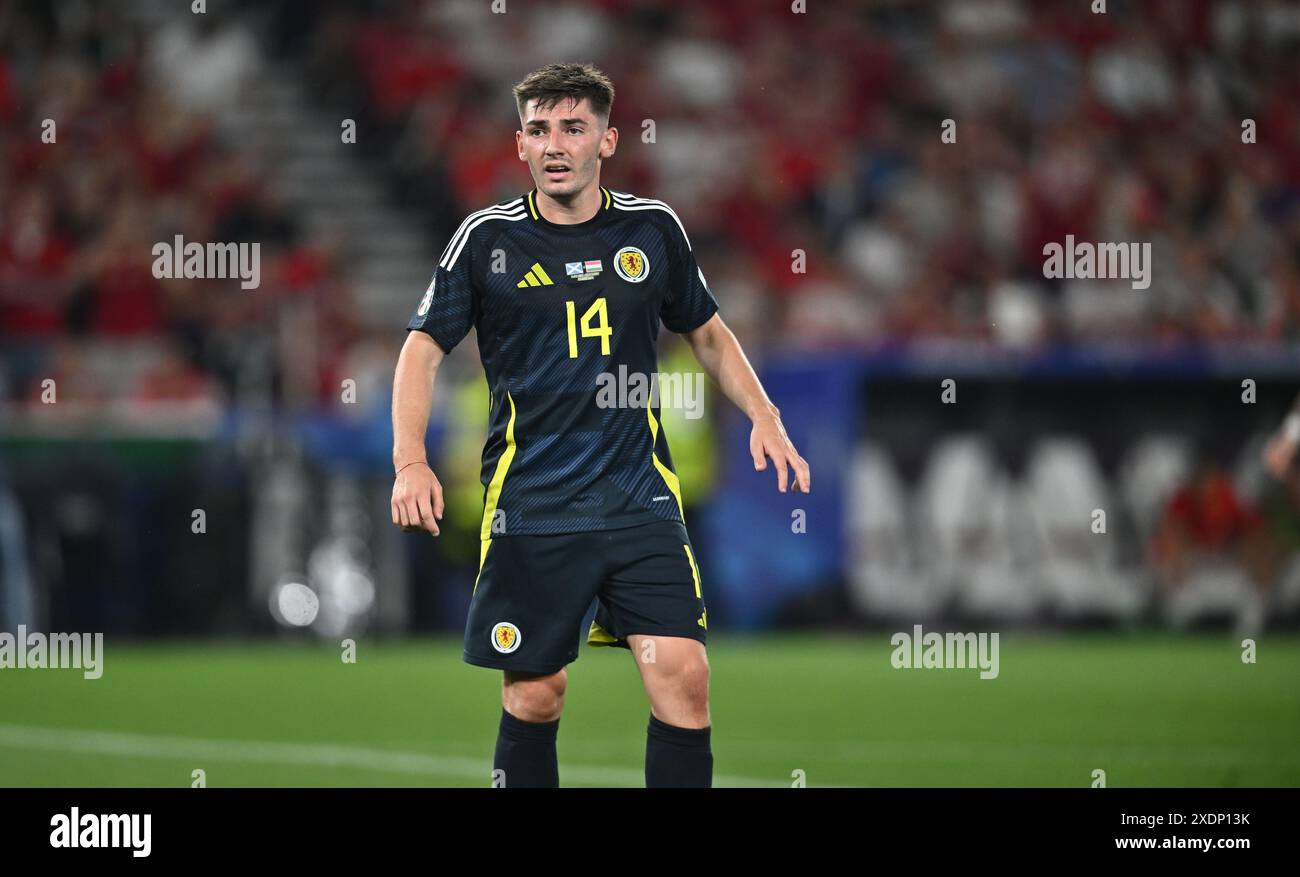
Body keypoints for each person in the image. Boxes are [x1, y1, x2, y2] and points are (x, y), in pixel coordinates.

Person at [389, 63, 810, 787]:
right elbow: (422, 350)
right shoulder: (486, 240)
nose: (555, 144)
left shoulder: (653, 230)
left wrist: (764, 416)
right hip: (533, 500)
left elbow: (707, 331)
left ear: (607, 140)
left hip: (636, 493)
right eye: (539, 130)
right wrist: (409, 460)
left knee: (682, 673)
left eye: (572, 128)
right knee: (536, 690)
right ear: (520, 145)